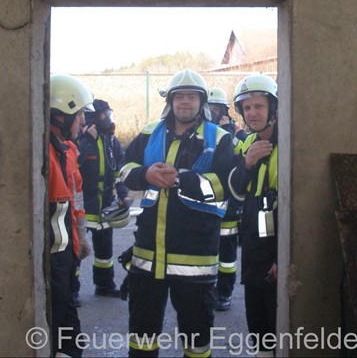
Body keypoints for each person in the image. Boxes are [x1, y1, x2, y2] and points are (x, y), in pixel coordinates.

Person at [119, 68, 237, 357]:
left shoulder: (220, 139)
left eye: (192, 97)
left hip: (195, 260)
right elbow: (123, 169)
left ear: (202, 102)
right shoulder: (149, 133)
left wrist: (182, 180)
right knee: (142, 339)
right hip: (148, 257)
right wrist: (145, 174)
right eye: (179, 96)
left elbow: (227, 186)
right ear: (170, 101)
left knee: (197, 342)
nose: (185, 101)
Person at [228, 73, 279, 358]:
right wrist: (247, 163)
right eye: (247, 108)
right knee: (257, 323)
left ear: (273, 107)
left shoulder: (290, 142)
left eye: (259, 106)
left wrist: (282, 257)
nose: (252, 113)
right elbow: (234, 191)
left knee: (278, 323)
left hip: (275, 248)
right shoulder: (245, 143)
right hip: (252, 247)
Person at [48, 74, 94, 358]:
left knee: (68, 335)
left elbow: (75, 198)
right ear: (61, 115)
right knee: (57, 332)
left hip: (66, 258)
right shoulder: (43, 153)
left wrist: (81, 235)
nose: (83, 122)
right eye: (79, 115)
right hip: (52, 264)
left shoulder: (68, 150)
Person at [76, 99, 130, 299]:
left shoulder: (111, 140)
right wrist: (87, 141)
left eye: (109, 114)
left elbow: (119, 170)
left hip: (106, 202)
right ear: (92, 118)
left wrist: (123, 194)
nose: (108, 119)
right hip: (85, 201)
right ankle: (71, 291)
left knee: (105, 249)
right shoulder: (80, 139)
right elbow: (73, 163)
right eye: (103, 115)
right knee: (77, 249)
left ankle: (104, 285)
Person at [207, 87, 247, 311]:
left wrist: (229, 133)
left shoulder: (234, 132)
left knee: (227, 256)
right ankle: (206, 289)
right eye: (209, 108)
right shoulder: (202, 132)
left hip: (229, 204)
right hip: (207, 203)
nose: (212, 112)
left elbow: (244, 154)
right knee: (206, 251)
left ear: (224, 110)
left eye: (216, 108)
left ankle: (224, 292)